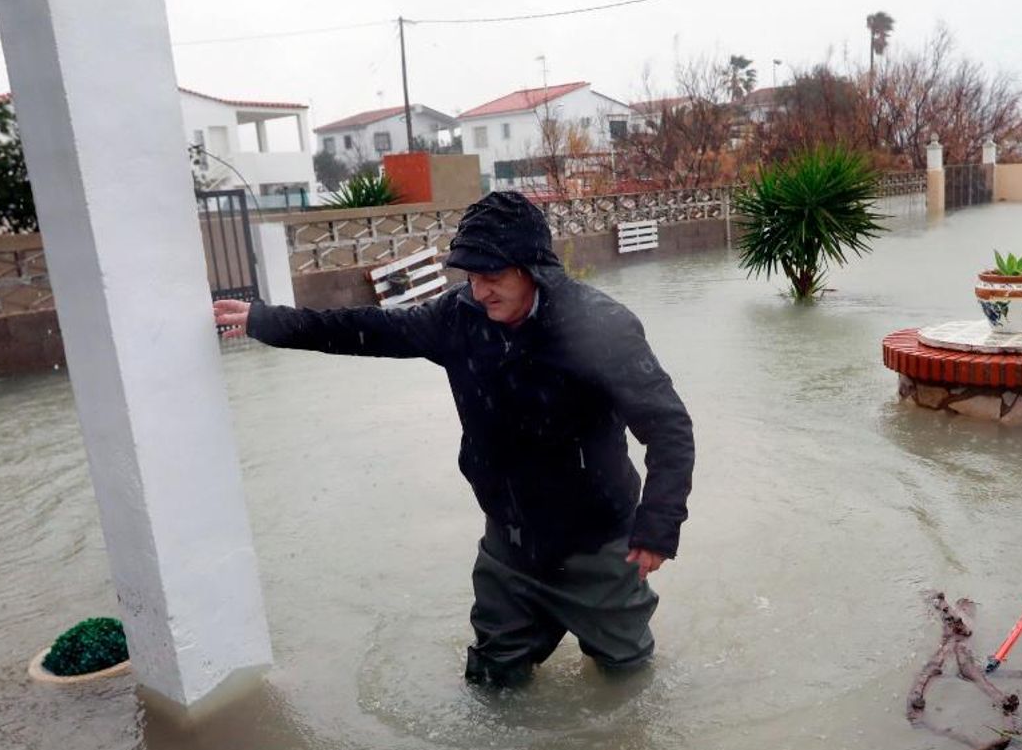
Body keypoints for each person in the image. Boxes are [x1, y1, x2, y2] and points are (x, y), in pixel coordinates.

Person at [212, 191, 695, 687]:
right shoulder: (458, 318)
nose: (480, 291)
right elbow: (369, 329)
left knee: (627, 682)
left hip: (598, 545)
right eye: (471, 276)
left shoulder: (601, 327)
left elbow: (668, 427)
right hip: (509, 545)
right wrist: (265, 321)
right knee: (492, 681)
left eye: (493, 276)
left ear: (533, 268)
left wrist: (657, 527)